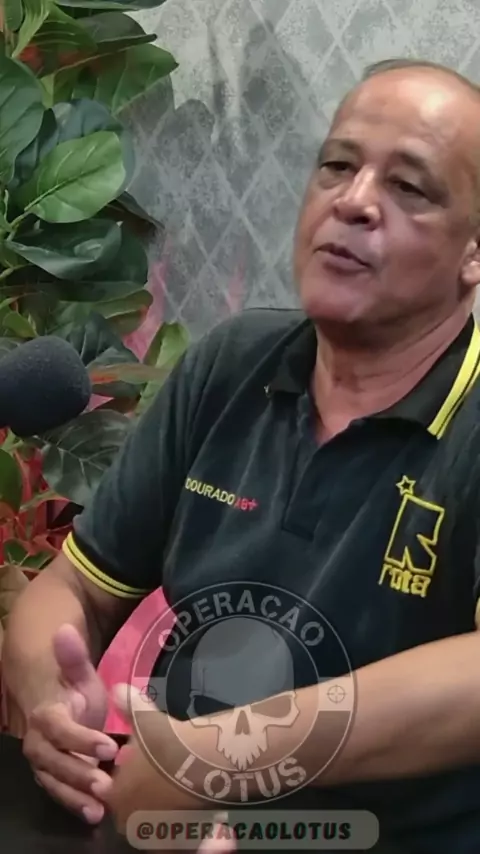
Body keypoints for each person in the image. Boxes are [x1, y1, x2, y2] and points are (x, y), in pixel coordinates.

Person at [4, 55, 480, 854]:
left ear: (474, 252)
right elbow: (74, 586)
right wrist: (52, 702)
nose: (355, 201)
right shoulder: (233, 363)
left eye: (409, 187)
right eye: (337, 166)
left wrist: (226, 757)